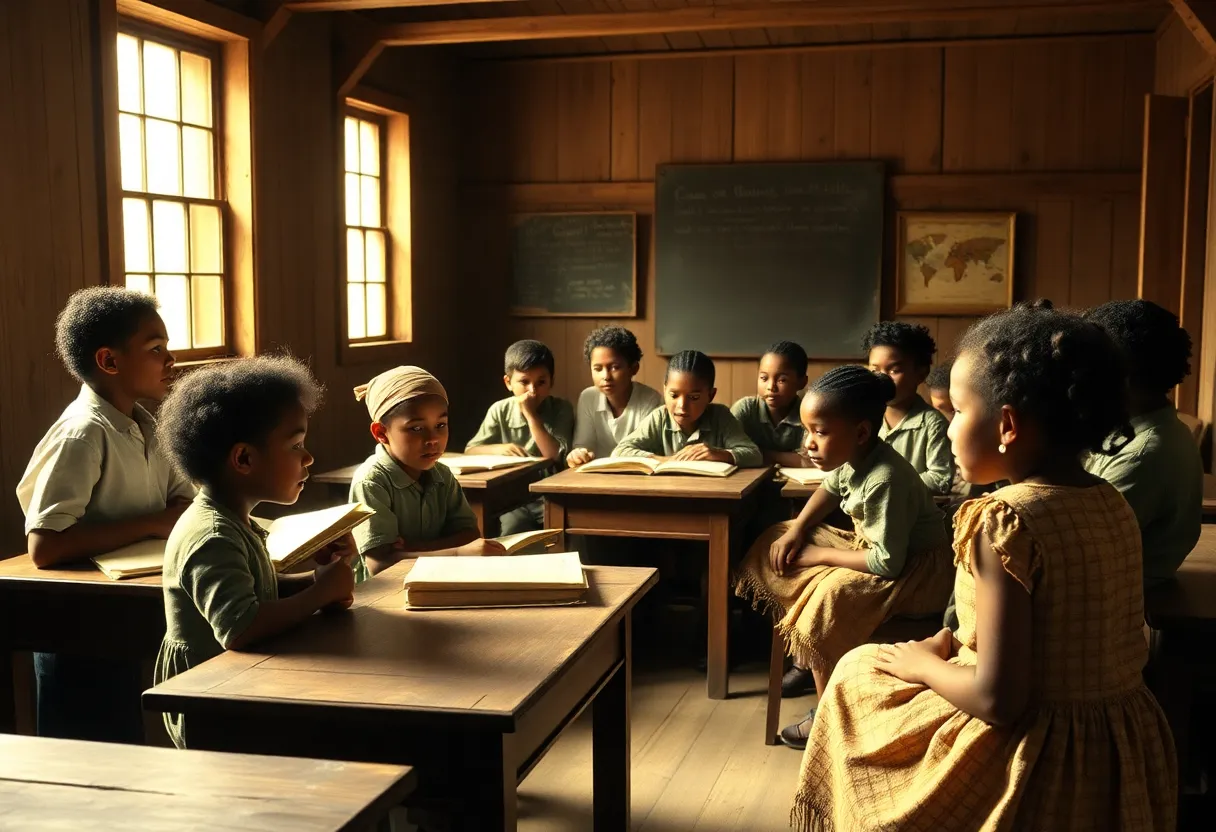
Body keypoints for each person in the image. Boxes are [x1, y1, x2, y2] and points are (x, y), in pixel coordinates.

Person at [793, 302, 1176, 831]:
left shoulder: (1003, 520)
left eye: (957, 413)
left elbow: (999, 700)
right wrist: (949, 643)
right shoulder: (1110, 501)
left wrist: (922, 665)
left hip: (1033, 746)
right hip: (1119, 737)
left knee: (856, 675)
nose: (947, 430)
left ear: (1007, 425)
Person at [735, 365, 953, 749]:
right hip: (873, 549)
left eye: (819, 432)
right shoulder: (856, 457)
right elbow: (830, 490)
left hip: (915, 573)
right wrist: (800, 528)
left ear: (862, 432)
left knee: (828, 598)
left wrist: (820, 556)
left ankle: (825, 714)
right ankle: (807, 620)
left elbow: (888, 563)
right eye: (807, 431)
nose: (809, 443)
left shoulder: (885, 477)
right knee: (778, 535)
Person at [16, 286, 194, 743]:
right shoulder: (83, 433)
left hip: (125, 609)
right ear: (109, 362)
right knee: (82, 749)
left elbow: (180, 503)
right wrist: (153, 523)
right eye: (156, 349)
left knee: (124, 737)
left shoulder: (147, 423)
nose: (170, 359)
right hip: (77, 622)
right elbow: (44, 545)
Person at [153, 356, 356, 749]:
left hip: (239, 684)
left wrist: (317, 577)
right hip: (209, 699)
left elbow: (257, 591)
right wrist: (319, 595)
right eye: (296, 445)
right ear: (244, 459)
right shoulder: (211, 535)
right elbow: (240, 627)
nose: (309, 457)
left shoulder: (233, 519)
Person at [1084, 299, 1203, 588]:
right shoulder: (1134, 429)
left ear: (1120, 378)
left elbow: (1083, 547)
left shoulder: (1143, 454)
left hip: (1122, 593)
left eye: (1088, 368)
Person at [348, 366, 504, 581]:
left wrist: (414, 548)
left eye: (441, 425)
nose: (433, 439)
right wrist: (457, 552)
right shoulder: (372, 482)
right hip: (379, 598)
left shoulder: (442, 475)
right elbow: (381, 564)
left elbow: (470, 536)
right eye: (417, 428)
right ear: (381, 433)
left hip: (435, 583)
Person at [863, 322, 952, 495]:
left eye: (894, 370)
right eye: (875, 371)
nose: (882, 379)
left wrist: (885, 484)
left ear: (921, 373)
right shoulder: (862, 417)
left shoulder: (932, 424)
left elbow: (940, 479)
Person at [567, 325, 662, 467]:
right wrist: (578, 454)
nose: (606, 376)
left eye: (615, 367)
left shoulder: (651, 400)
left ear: (633, 368)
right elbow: (583, 445)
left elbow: (646, 450)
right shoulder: (588, 397)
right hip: (595, 477)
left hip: (637, 477)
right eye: (598, 369)